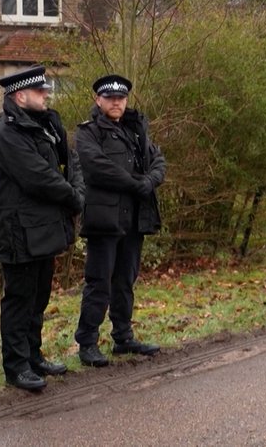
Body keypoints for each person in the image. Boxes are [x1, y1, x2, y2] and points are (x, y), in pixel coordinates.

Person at [0, 65, 85, 391]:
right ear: (20, 95)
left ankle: (33, 356)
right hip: (18, 232)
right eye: (40, 92)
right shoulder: (6, 136)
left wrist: (76, 192)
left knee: (39, 297)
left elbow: (69, 163)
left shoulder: (41, 128)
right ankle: (16, 367)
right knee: (20, 300)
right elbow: (39, 178)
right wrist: (74, 199)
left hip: (42, 228)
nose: (46, 96)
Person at [74, 74, 166, 367]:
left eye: (121, 98)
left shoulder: (136, 130)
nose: (117, 103)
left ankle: (123, 338)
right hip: (104, 219)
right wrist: (134, 183)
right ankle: (87, 342)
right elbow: (97, 168)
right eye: (111, 98)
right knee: (99, 282)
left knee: (125, 280)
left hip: (134, 219)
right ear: (98, 100)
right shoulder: (88, 133)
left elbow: (158, 161)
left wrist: (147, 182)